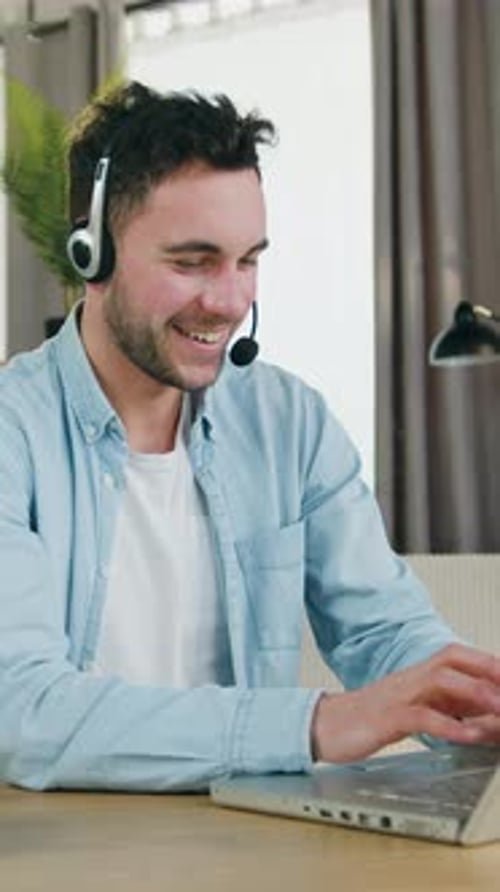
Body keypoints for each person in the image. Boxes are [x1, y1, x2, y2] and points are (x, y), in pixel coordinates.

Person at [0, 81, 499, 793]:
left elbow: (385, 634)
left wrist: (471, 702)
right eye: (192, 262)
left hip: (245, 845)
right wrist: (316, 724)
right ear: (92, 252)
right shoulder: (12, 435)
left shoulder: (289, 423)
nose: (231, 300)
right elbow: (21, 711)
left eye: (248, 260)